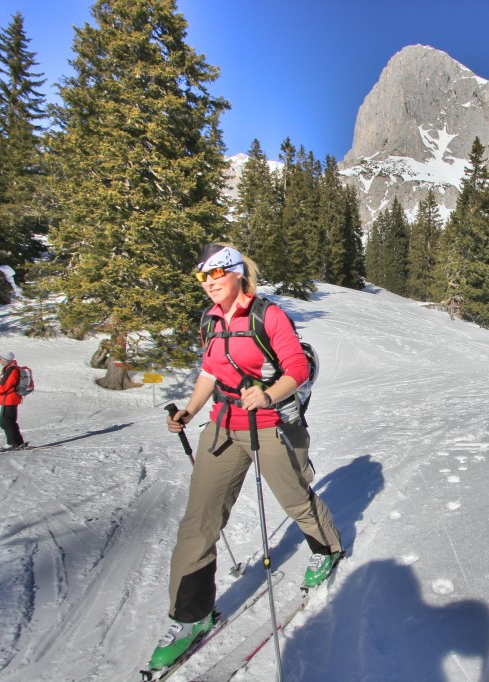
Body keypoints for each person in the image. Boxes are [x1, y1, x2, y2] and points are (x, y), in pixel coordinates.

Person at [148, 243, 344, 670]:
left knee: (294, 498)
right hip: (222, 427)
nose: (209, 282)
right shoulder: (211, 320)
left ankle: (327, 548)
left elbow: (297, 367)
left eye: (216, 273)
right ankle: (191, 618)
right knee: (197, 522)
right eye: (203, 276)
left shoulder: (267, 315)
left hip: (270, 424)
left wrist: (268, 394)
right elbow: (209, 371)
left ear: (237, 272)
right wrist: (190, 410)